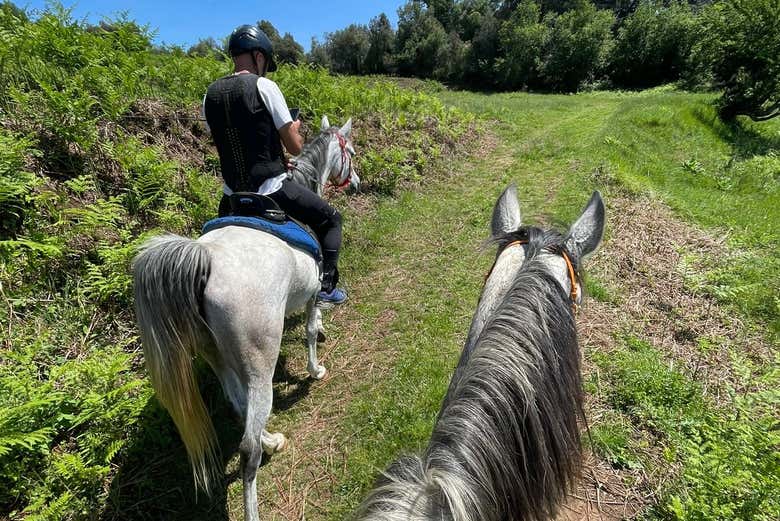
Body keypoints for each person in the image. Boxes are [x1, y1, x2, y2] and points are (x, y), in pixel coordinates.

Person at [202, 24, 347, 305]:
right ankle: (327, 288)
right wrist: (294, 127)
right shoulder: (265, 86)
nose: (265, 66)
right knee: (331, 220)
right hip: (271, 189)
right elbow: (295, 147)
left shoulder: (210, 95)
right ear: (258, 56)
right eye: (266, 61)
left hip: (230, 196)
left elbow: (219, 141)